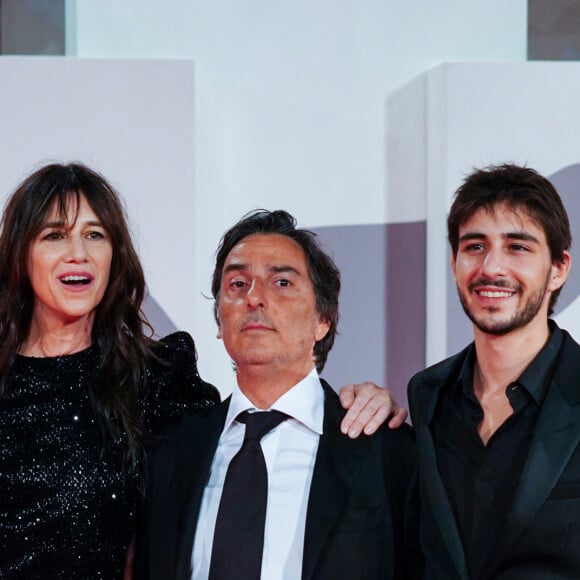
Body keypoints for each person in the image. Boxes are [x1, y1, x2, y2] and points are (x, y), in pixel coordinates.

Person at [0, 163, 404, 579]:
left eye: (94, 235)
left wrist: (370, 401)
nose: (78, 253)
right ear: (20, 252)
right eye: (54, 235)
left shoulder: (155, 381)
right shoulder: (187, 442)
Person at [135, 210, 419, 579]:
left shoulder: (387, 452)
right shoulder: (169, 453)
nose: (255, 298)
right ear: (219, 322)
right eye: (237, 284)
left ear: (323, 320)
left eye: (282, 282)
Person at [408, 163, 580, 579]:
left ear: (558, 269)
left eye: (517, 247)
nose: (492, 268)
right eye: (475, 246)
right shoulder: (427, 394)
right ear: (454, 262)